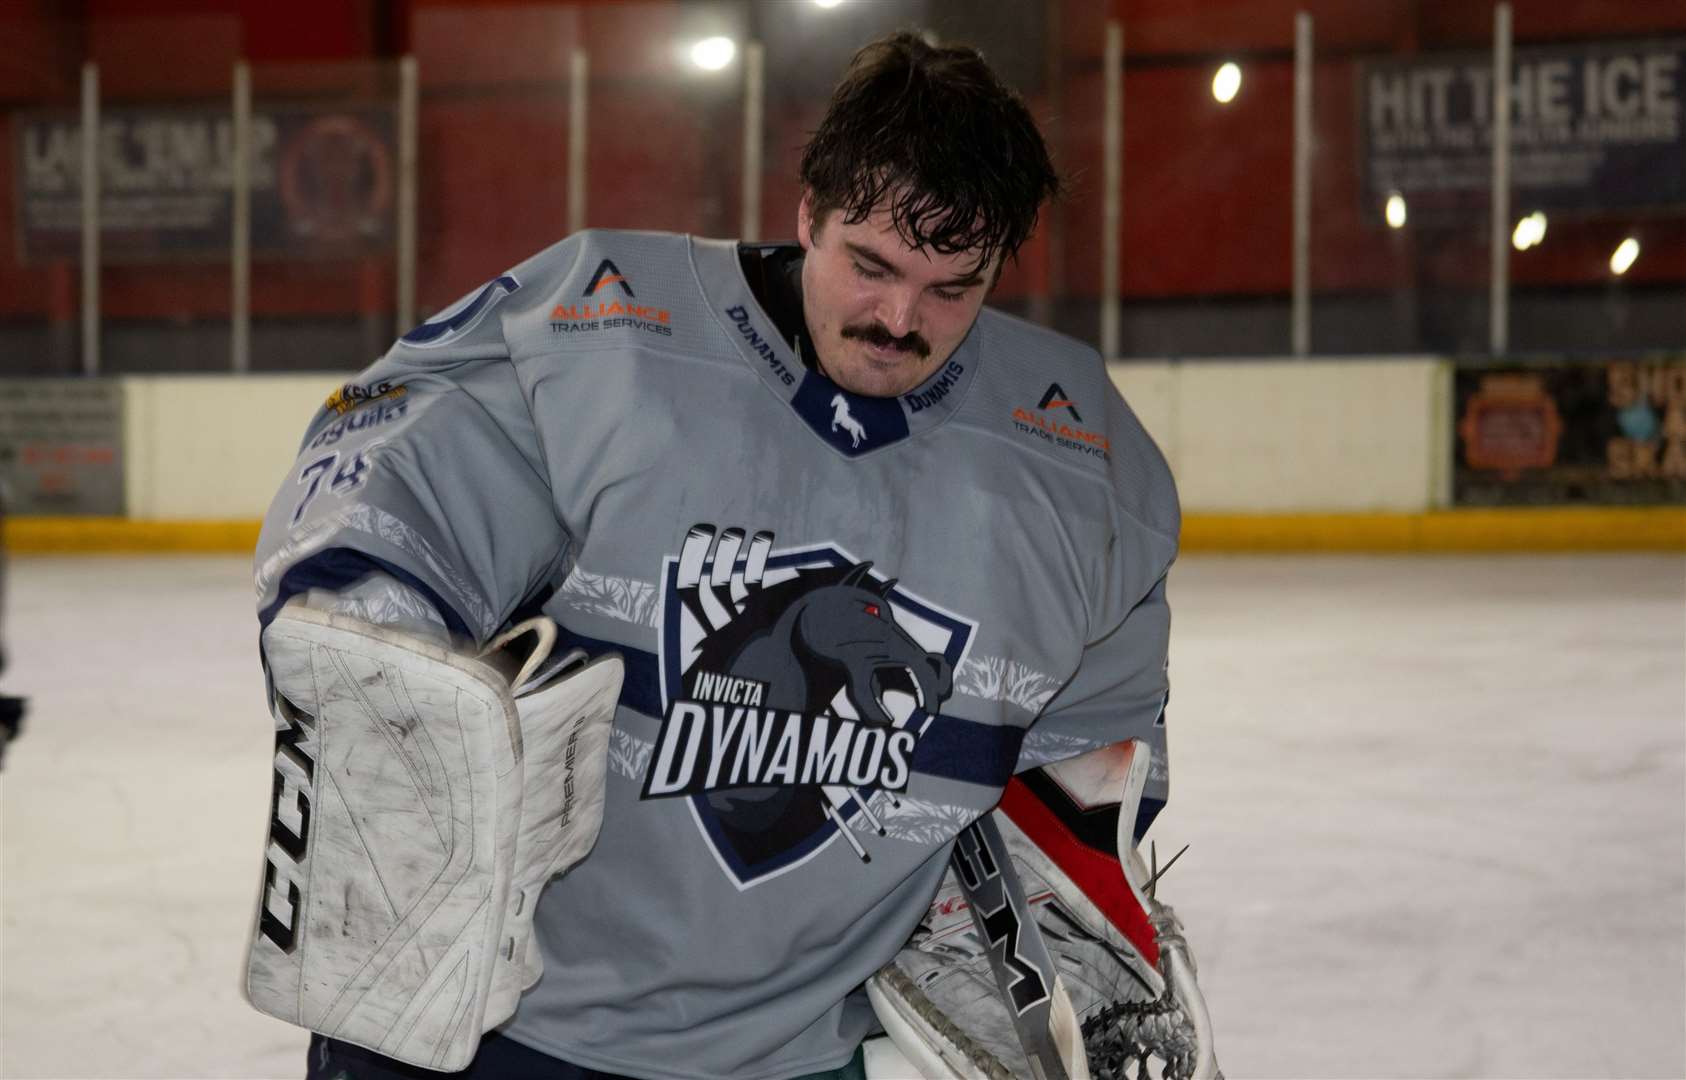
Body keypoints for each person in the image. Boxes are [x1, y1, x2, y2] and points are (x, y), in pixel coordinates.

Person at [248, 31, 1216, 1080]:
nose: (900, 318)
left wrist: (1056, 919)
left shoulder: (1079, 469)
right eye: (872, 265)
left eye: (954, 287)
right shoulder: (602, 339)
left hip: (792, 1057)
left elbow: (1082, 789)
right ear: (809, 211)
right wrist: (385, 664)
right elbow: (392, 502)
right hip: (491, 1032)